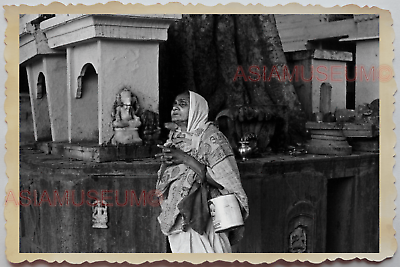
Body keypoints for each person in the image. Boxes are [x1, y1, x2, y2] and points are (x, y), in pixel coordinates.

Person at [155, 90, 249, 253]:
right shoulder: (175, 140)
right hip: (179, 217)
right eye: (174, 105)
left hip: (206, 215)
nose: (175, 108)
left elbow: (223, 182)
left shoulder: (212, 138)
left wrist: (185, 159)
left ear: (196, 110)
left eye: (182, 104)